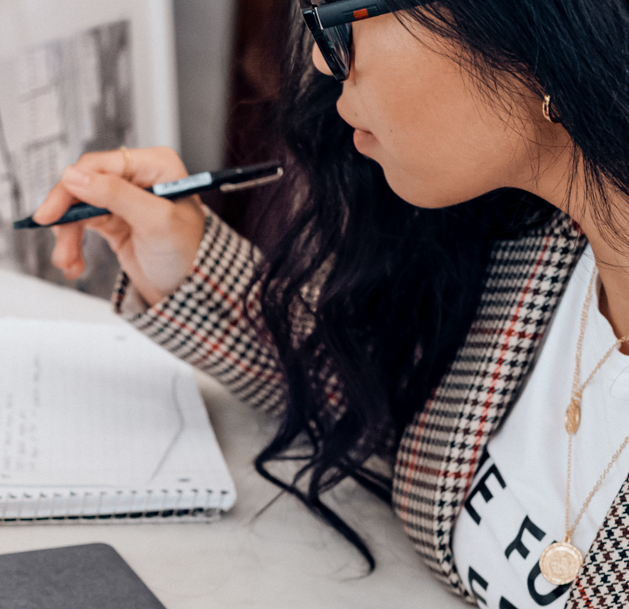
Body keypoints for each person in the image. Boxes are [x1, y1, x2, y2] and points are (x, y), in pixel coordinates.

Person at [32, 1, 629, 607]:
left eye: (345, 8)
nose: (321, 56)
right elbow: (391, 402)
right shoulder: (546, 240)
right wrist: (190, 263)